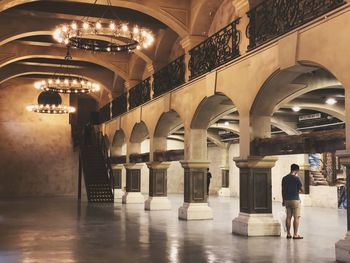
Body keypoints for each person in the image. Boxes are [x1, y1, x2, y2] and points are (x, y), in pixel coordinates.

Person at [282, 164, 304, 239]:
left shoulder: (284, 178)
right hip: (295, 200)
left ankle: (288, 234)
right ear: (296, 170)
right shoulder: (297, 178)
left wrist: (283, 200)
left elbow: (283, 191)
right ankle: (295, 234)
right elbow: (302, 190)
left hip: (287, 200)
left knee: (288, 217)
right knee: (296, 217)